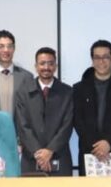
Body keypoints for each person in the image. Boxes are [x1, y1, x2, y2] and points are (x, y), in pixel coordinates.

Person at [72, 40, 111, 176]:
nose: (101, 61)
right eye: (97, 57)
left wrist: (108, 142)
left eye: (106, 57)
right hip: (89, 153)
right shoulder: (78, 89)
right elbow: (77, 121)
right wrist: (96, 146)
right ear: (92, 61)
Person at [14, 47, 73, 176]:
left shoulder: (67, 92)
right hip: (31, 158)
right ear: (36, 66)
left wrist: (50, 150)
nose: (46, 67)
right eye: (42, 63)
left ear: (56, 66)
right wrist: (39, 154)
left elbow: (67, 126)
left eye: (50, 63)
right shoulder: (23, 92)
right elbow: (22, 126)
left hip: (60, 157)